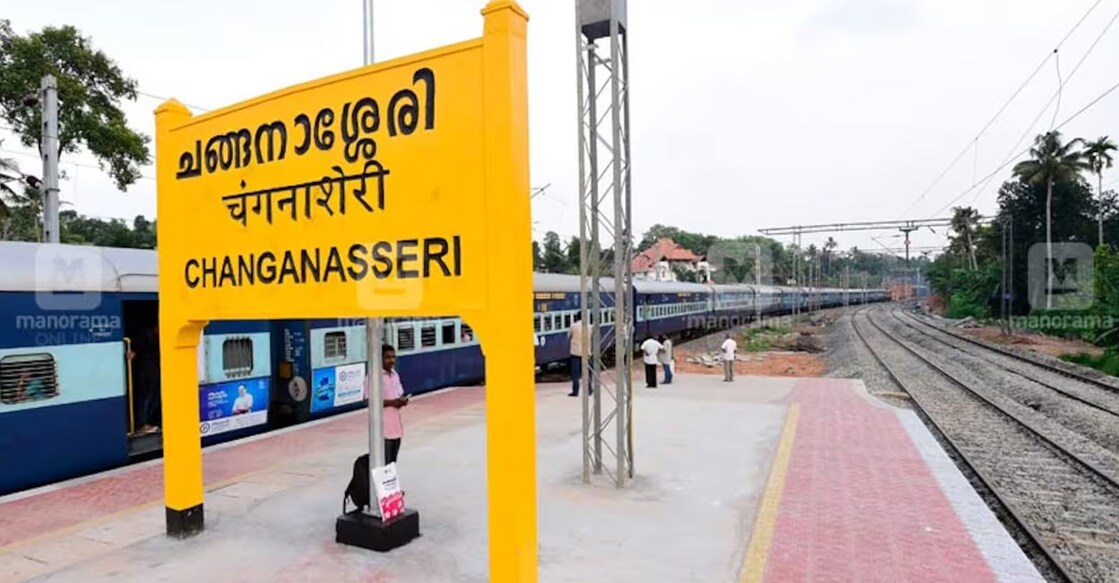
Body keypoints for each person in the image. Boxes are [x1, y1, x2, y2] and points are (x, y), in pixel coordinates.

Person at [127, 324, 162, 434]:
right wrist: (134, 352)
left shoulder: (157, 337)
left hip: (155, 369)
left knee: (154, 398)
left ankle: (148, 422)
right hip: (148, 370)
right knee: (146, 397)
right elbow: (138, 346)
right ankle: (142, 424)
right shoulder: (148, 336)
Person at [381, 344, 409, 465]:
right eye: (387, 357)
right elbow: (368, 401)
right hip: (382, 430)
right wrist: (393, 402)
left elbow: (399, 394)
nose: (391, 360)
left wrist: (403, 401)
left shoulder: (395, 375)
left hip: (396, 428)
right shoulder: (373, 377)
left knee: (392, 463)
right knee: (384, 463)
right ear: (380, 358)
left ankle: (390, 484)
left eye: (393, 357)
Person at [568, 313, 592, 397]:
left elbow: (568, 337)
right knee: (587, 372)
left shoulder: (573, 326)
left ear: (576, 317)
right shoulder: (589, 327)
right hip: (586, 352)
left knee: (575, 373)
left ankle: (575, 391)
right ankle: (589, 390)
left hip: (575, 352)